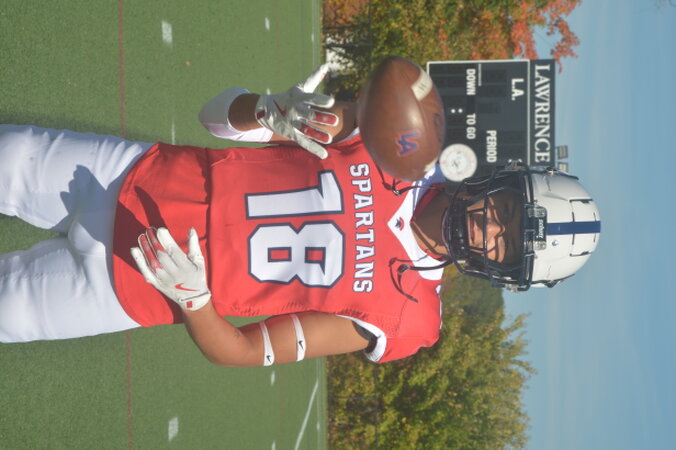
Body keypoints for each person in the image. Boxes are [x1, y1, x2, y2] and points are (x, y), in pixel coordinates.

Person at [0, 65, 601, 366]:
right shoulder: (402, 144)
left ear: (503, 271)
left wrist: (194, 300)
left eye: (506, 243)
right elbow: (215, 118)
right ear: (500, 182)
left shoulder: (411, 318)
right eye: (507, 211)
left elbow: (239, 351)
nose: (490, 229)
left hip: (132, 289)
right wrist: (267, 111)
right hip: (127, 174)